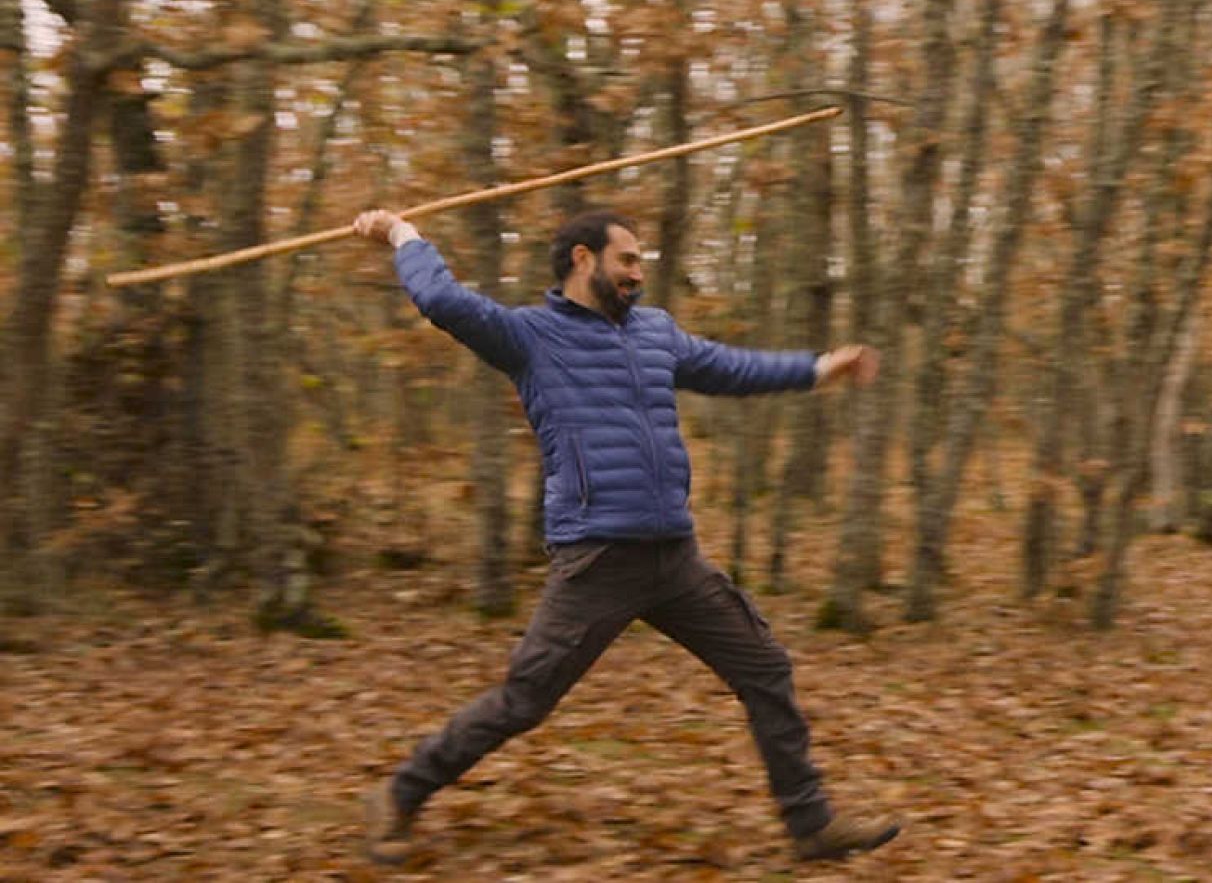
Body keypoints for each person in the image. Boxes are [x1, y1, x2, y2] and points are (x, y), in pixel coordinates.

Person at [352, 207, 899, 865]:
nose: (639, 273)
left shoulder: (654, 333)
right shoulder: (531, 337)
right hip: (598, 559)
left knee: (765, 669)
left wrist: (817, 369)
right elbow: (441, 298)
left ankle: (809, 824)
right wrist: (403, 234)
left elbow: (732, 369)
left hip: (675, 559)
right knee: (525, 700)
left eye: (641, 263)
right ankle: (399, 796)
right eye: (628, 260)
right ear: (584, 260)